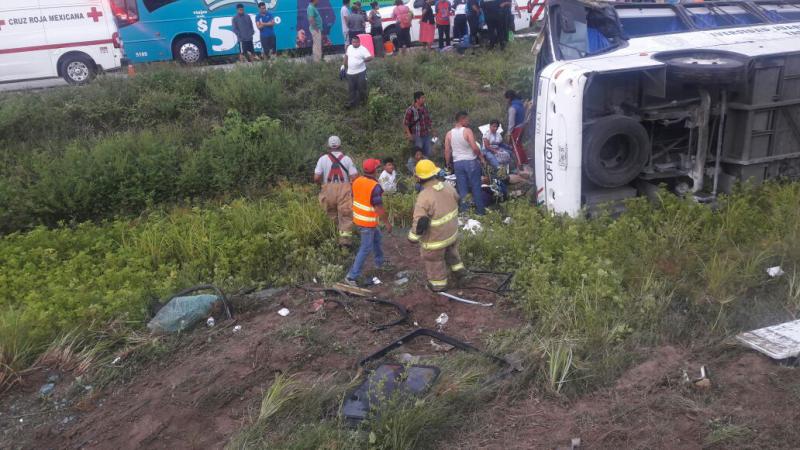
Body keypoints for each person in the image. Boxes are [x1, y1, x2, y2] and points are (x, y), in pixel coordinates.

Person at [407, 159, 467, 292]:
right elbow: (458, 200)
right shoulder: (448, 186)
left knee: (434, 262)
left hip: (435, 241)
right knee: (452, 253)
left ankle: (439, 286)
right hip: (452, 234)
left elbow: (419, 223)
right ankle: (460, 272)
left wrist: (412, 238)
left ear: (418, 178)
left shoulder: (424, 197)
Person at [345, 158, 392, 285]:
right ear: (375, 171)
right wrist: (387, 223)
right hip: (367, 223)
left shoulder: (357, 181)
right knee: (365, 248)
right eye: (377, 168)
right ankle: (352, 276)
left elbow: (355, 197)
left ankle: (379, 262)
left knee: (377, 238)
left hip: (359, 219)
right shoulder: (374, 187)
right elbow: (379, 208)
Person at [314, 136, 359, 246]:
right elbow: (355, 177)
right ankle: (345, 242)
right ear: (340, 145)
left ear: (328, 146)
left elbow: (316, 177)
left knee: (330, 215)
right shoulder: (347, 159)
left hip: (328, 189)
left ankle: (332, 240)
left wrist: (322, 185)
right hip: (344, 189)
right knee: (346, 215)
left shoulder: (322, 159)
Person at [445, 111, 486, 215]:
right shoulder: (467, 131)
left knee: (463, 190)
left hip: (457, 163)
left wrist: (448, 164)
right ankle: (480, 212)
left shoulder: (449, 134)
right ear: (462, 119)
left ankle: (465, 214)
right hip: (470, 162)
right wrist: (481, 158)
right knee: (476, 187)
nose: (468, 121)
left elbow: (447, 150)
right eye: (467, 119)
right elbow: (474, 147)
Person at [343, 35, 373, 107]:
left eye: (356, 42)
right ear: (351, 42)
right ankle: (351, 103)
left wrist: (363, 60)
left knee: (362, 88)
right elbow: (346, 56)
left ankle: (364, 103)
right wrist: (343, 66)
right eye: (353, 42)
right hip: (350, 73)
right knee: (351, 89)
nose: (355, 43)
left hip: (361, 72)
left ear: (359, 42)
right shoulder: (349, 47)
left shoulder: (363, 49)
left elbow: (370, 57)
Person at [404, 91, 435, 157]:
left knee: (428, 152)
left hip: (426, 134)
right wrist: (409, 135)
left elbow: (428, 120)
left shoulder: (425, 107)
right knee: (418, 154)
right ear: (417, 99)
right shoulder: (410, 110)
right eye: (422, 98)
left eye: (424, 98)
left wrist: (433, 131)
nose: (424, 99)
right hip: (417, 136)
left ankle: (426, 165)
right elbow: (405, 123)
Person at [505, 90, 529, 165]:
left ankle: (520, 163)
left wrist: (509, 133)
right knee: (519, 145)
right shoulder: (521, 105)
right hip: (523, 126)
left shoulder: (512, 108)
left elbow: (511, 122)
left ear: (509, 98)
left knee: (515, 146)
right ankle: (525, 161)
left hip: (516, 129)